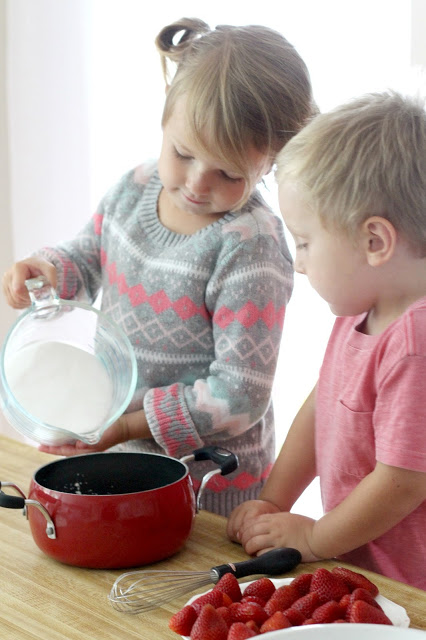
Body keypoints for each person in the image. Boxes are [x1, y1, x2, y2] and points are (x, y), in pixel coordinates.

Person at [2, 18, 316, 516]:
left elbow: (238, 394)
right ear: (165, 112)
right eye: (183, 153)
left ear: (270, 160)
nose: (196, 183)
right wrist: (47, 269)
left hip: (208, 487)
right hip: (119, 454)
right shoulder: (134, 188)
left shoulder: (251, 247)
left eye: (229, 173)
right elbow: (89, 254)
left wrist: (128, 424)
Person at [227, 90, 426, 588]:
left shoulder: (415, 343)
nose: (298, 260)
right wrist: (276, 500)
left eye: (305, 242)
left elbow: (402, 482)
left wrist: (315, 539)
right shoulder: (361, 309)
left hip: (411, 588)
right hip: (367, 574)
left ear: (374, 241)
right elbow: (324, 408)